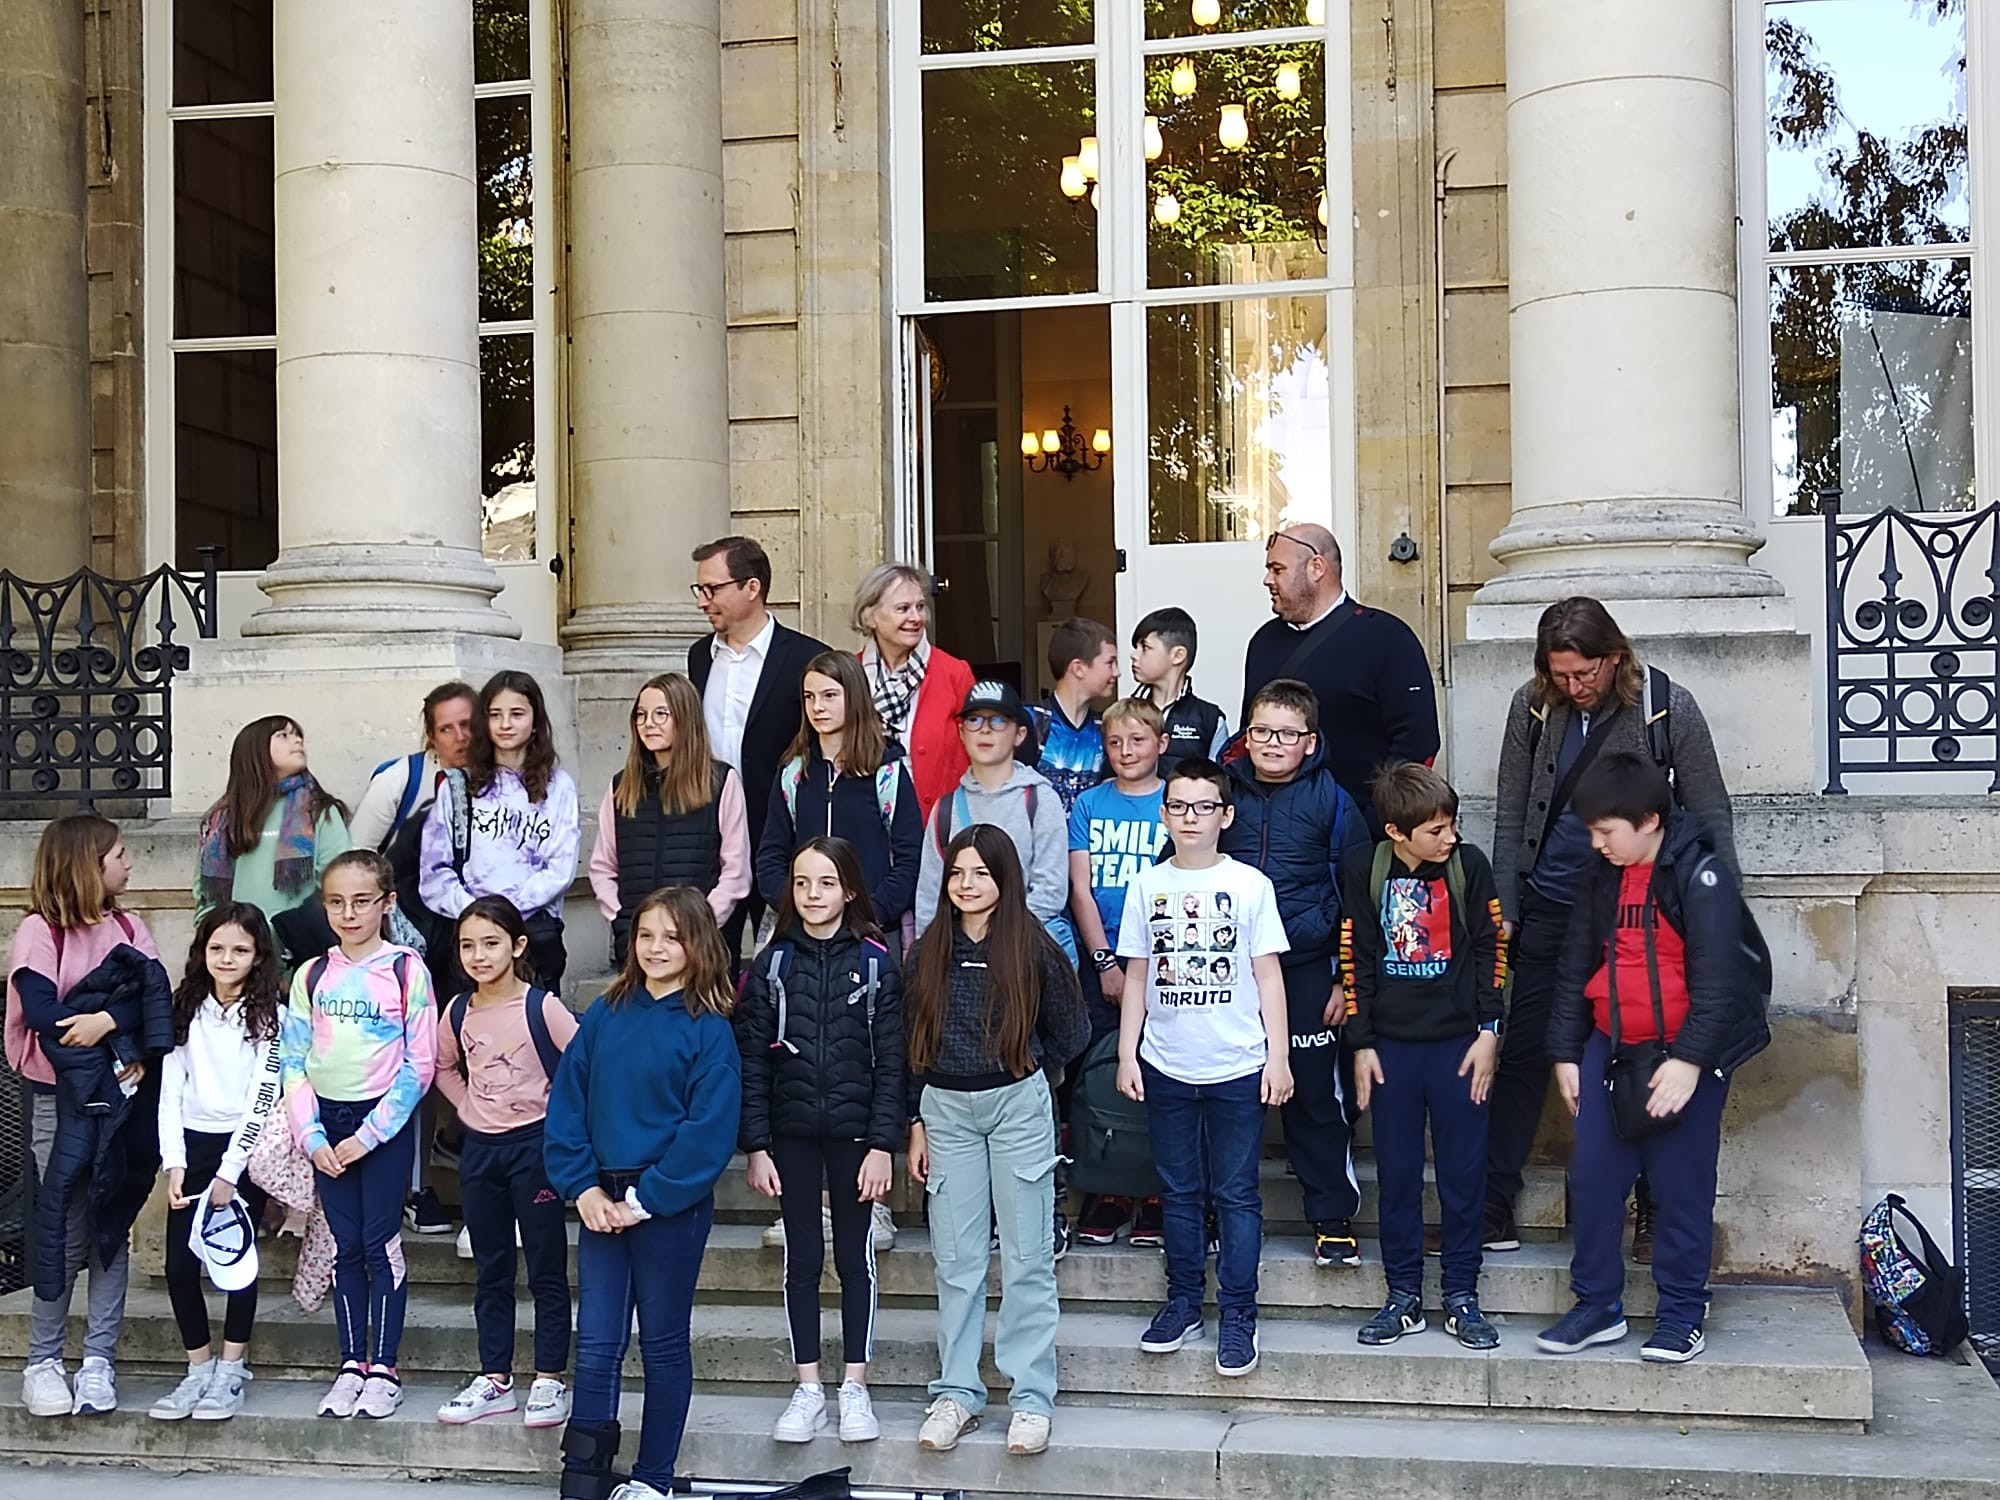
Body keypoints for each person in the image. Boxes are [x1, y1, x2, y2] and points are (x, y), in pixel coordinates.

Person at [1485, 597, 1737, 1258]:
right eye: (1562, 674)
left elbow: (1711, 814)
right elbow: (1511, 811)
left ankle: (1652, 1211)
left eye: (1586, 673)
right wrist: (1506, 900)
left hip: (1641, 912)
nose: (1575, 686)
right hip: (1548, 905)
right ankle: (1495, 1201)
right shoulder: (1531, 707)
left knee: (1647, 1054)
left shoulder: (1665, 708)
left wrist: (1714, 910)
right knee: (1525, 1053)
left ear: (1614, 657)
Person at [1535, 750, 1769, 1365]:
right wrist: (1564, 1051)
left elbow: (1719, 981)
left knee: (1678, 1188)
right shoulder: (1600, 876)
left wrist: (1689, 1062)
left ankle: (1682, 1312)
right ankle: (1598, 1305)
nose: (1596, 842)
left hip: (1686, 1056)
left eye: (1605, 830)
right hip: (1610, 1050)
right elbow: (1574, 967)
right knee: (1591, 1180)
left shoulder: (1702, 874)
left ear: (1647, 821)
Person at [546, 887, 741, 1500]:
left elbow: (706, 1132)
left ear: (697, 945)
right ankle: (584, 1475)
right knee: (599, 1342)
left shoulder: (709, 1030)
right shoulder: (607, 1011)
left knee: (661, 1343)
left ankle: (652, 1479)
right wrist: (581, 1189)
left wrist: (648, 1198)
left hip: (666, 1208)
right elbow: (568, 1104)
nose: (656, 947)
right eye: (646, 935)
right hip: (599, 1201)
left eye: (672, 937)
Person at [905, 825, 1090, 1458]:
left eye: (981, 873)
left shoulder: (1033, 946)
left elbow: (1072, 1030)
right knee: (956, 1261)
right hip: (946, 1111)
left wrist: (1031, 1073)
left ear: (1005, 878)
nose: (967, 885)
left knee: (1027, 1257)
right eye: (957, 873)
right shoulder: (928, 950)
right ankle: (956, 1391)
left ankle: (1031, 1398)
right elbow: (908, 1046)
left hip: (1017, 1104)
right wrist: (916, 1121)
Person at [1115, 758, 1293, 1379]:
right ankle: (1184, 1300)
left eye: (1203, 806)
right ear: (1164, 814)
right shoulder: (1147, 886)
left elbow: (1268, 974)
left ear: (1226, 815)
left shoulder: (1250, 885)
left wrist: (1279, 1056)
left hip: (1238, 1064)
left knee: (1237, 1194)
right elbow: (1136, 973)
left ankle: (1238, 1313)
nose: (1191, 817)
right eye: (1179, 806)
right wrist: (1126, 1052)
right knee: (1180, 1192)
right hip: (1166, 1063)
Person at [736, 839, 904, 1445]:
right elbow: (752, 1061)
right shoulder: (772, 966)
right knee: (802, 1260)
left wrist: (884, 1143)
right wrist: (756, 1144)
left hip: (858, 1137)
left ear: (850, 890)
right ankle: (808, 1386)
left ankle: (854, 1385)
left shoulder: (881, 963)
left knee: (855, 1260)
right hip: (792, 1135)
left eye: (826, 883)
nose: (812, 895)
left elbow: (894, 1062)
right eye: (802, 883)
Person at [6, 814, 170, 1420]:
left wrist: (107, 1020)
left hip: (123, 1105)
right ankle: (43, 1362)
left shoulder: (129, 925)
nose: (130, 864)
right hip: (60, 1100)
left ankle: (97, 1360)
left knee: (110, 1225)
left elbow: (157, 999)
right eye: (120, 855)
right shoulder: (39, 932)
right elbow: (44, 1011)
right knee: (65, 1226)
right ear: (87, 864)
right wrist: (112, 1022)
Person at [1342, 764, 1507, 1352]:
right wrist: (1361, 1042)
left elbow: (1493, 949)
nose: (1450, 838)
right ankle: (1404, 1295)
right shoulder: (1367, 869)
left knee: (1464, 1176)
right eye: (1436, 830)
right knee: (1398, 1177)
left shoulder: (1469, 867)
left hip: (1460, 1047)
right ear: (1396, 831)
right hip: (1392, 1050)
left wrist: (1490, 1031)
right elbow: (1354, 955)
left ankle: (1462, 1295)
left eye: (1452, 825)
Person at [1217, 679, 1371, 1267]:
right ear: (1246, 734)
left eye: (1286, 734)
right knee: (1228, 1096)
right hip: (1226, 972)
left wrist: (1344, 980)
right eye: (1261, 731)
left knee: (1315, 1098)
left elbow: (1358, 898)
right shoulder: (1221, 791)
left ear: (1309, 741)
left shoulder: (1334, 802)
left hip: (1308, 969)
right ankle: (1216, 1211)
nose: (1272, 743)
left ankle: (1331, 1215)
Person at [280, 849, 439, 1420]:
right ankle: (352, 1364)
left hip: (383, 1127)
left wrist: (369, 1136)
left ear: (387, 903)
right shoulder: (311, 974)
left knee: (380, 1244)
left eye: (362, 902)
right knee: (344, 1248)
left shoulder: (405, 970)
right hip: (327, 1127)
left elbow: (420, 1063)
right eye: (337, 903)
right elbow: (292, 1062)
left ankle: (385, 1368)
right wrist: (313, 1137)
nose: (349, 914)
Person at [433, 896, 580, 1429]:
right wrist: (468, 1105)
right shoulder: (456, 1012)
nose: (479, 955)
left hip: (534, 1150)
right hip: (481, 1152)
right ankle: (494, 1377)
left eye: (491, 943)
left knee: (545, 1268)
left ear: (517, 946)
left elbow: (582, 1066)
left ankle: (549, 1377)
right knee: (491, 1269)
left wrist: (559, 1119)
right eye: (468, 945)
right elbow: (442, 1066)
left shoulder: (543, 1008)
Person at [151, 902, 287, 1421]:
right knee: (179, 1266)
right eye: (217, 948)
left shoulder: (269, 1016)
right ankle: (198, 1369)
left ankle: (231, 1369)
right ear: (202, 951)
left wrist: (231, 1172)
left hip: (242, 1150)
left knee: (235, 1264)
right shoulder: (182, 1006)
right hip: (193, 1145)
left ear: (257, 957)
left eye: (240, 950)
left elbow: (262, 1096)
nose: (227, 959)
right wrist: (175, 1163)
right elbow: (171, 1092)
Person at [1239, 525, 1439, 833]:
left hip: (1361, 835)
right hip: (1274, 834)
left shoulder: (1386, 639)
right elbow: (1247, 736)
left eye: (1277, 569)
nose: (1267, 580)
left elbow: (1417, 744)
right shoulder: (1263, 643)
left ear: (1317, 568)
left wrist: (1371, 825)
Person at [687, 535, 832, 959]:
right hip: (712, 839)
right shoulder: (699, 657)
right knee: (712, 962)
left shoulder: (807, 658)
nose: (702, 601)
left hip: (782, 839)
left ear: (752, 587)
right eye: (700, 590)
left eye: (712, 589)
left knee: (788, 961)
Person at [1067, 699, 1169, 1248]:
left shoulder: (1175, 803)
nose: (1125, 752)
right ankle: (1107, 1188)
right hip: (1100, 962)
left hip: (1164, 966)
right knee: (1101, 1076)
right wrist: (1105, 960)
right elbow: (1080, 889)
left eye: (1137, 741)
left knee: (1158, 1077)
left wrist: (1143, 969)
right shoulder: (1088, 804)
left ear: (1161, 743)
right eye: (1114, 744)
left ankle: (1152, 1190)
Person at [420, 670, 581, 989]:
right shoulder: (458, 787)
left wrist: (504, 914)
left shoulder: (558, 786)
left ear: (535, 721)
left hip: (533, 935)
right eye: (496, 715)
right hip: (471, 938)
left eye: (517, 714)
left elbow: (560, 869)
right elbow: (434, 871)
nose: (506, 724)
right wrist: (478, 915)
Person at [588, 671, 751, 964]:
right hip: (638, 944)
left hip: (701, 944)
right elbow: (602, 866)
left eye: (661, 714)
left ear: (684, 718)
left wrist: (702, 923)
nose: (648, 723)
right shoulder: (621, 786)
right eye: (641, 714)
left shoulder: (721, 781)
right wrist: (620, 918)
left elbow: (735, 871)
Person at [755, 650, 924, 932]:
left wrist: (874, 911)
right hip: (803, 930)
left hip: (872, 929)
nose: (817, 706)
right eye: (809, 697)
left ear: (854, 698)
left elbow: (910, 858)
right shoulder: (793, 773)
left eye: (829, 695)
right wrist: (795, 906)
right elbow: (771, 854)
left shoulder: (887, 773)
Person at [912, 681, 1070, 952]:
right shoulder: (946, 808)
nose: (984, 729)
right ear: (961, 732)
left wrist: (997, 941)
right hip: (960, 956)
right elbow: (930, 896)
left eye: (998, 720)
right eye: (974, 720)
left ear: (1020, 735)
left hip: (1023, 952)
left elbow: (1050, 891)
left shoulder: (1039, 800)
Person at [194, 716, 351, 942]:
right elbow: (207, 893)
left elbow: (338, 879)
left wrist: (291, 932)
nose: (297, 741)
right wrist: (211, 936)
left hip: (298, 947)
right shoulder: (223, 818)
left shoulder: (318, 810)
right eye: (284, 735)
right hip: (241, 951)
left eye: (298, 736)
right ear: (255, 750)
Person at [854, 561, 976, 822]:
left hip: (940, 826)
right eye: (903, 609)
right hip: (868, 825)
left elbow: (977, 755)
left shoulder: (954, 673)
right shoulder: (850, 675)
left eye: (920, 607)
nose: (916, 618)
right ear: (870, 617)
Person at [348, 682, 479, 852]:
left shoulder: (504, 779)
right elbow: (358, 853)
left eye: (466, 724)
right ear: (432, 736)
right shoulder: (398, 779)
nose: (460, 737)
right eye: (446, 729)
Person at [1025, 617, 1118, 812]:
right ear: (1078, 668)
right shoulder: (1031, 720)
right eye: (1110, 663)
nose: (1117, 673)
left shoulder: (1106, 727)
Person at [1129, 606, 1228, 775]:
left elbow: (1218, 783)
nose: (1134, 655)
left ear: (1177, 655)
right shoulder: (1125, 714)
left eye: (1145, 647)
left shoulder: (1209, 718)